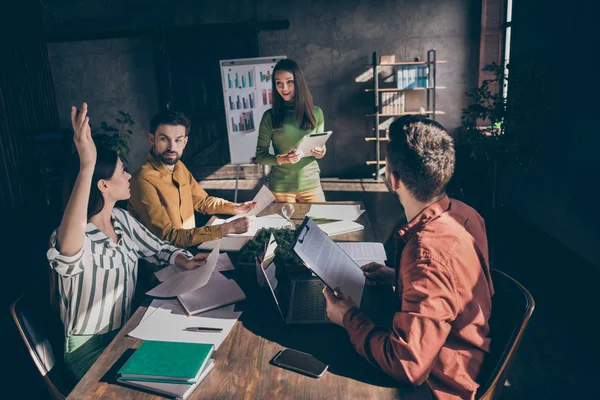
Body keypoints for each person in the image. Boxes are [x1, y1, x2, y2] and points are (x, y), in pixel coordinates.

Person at [322, 116, 494, 400]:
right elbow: (455, 285)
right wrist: (397, 275)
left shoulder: (424, 255)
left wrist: (348, 317)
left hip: (438, 385)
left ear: (394, 178)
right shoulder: (466, 214)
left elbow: (408, 365)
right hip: (466, 356)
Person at [47, 103, 209, 381]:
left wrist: (185, 259)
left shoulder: (121, 218)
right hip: (89, 351)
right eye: (122, 171)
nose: (128, 175)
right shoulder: (70, 235)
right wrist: (87, 164)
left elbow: (159, 248)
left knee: (195, 364)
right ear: (103, 185)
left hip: (128, 331)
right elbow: (69, 255)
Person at [128, 110, 255, 248]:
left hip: (189, 250)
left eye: (178, 140)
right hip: (164, 262)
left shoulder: (179, 167)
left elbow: (203, 202)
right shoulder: (142, 180)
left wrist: (236, 208)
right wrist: (227, 228)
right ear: (152, 139)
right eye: (164, 139)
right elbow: (168, 237)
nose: (172, 147)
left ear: (185, 141)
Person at [255, 58, 326, 203]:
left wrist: (321, 151)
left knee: (320, 225)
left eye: (289, 82)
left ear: (298, 82)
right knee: (283, 227)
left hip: (311, 185)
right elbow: (260, 156)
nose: (284, 88)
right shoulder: (270, 117)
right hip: (281, 189)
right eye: (278, 83)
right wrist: (282, 159)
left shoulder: (316, 112)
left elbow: (320, 145)